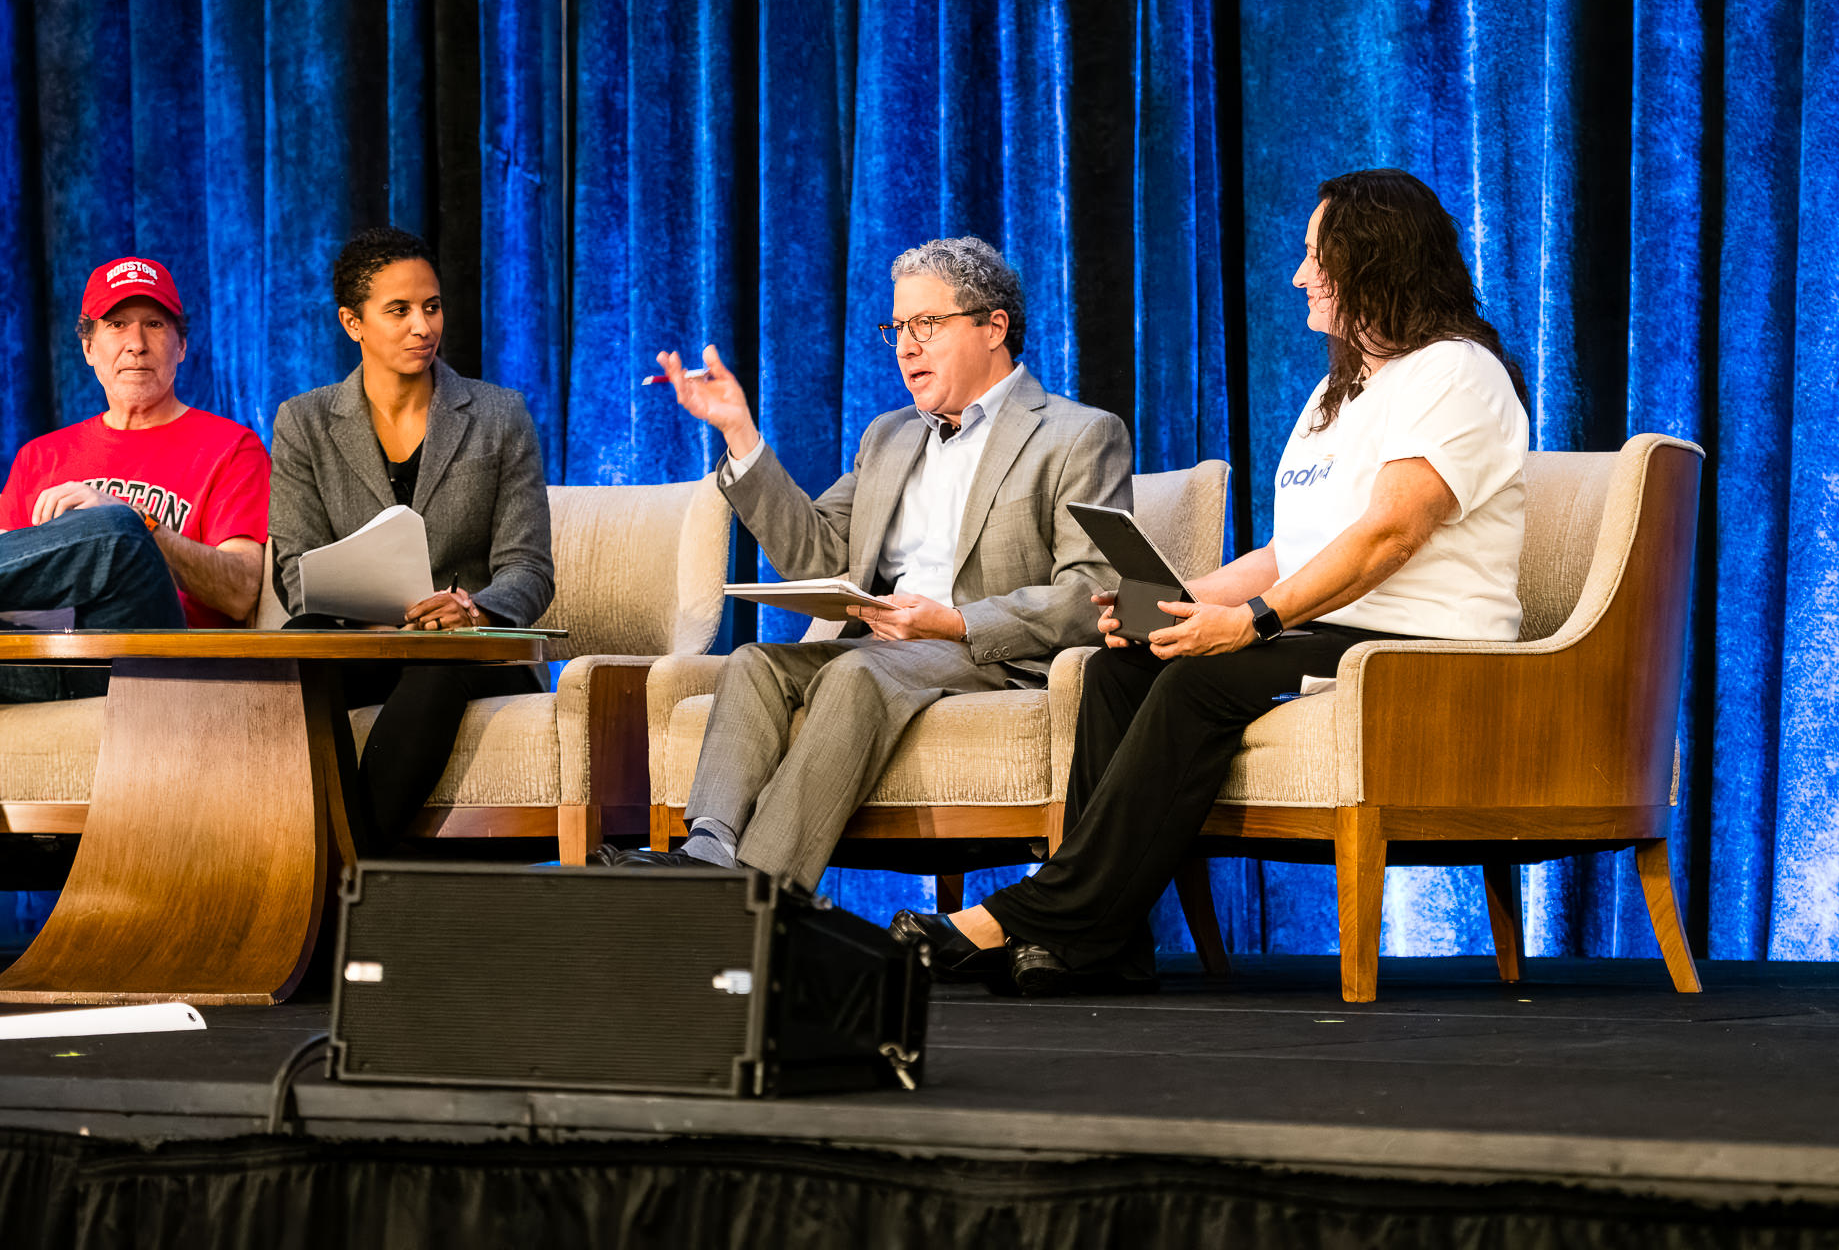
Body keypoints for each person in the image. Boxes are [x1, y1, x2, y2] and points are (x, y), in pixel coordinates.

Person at [895, 168, 1533, 996]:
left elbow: (1390, 534)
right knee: (1121, 665)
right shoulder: (1338, 393)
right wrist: (1177, 602)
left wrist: (1255, 623)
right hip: (1331, 628)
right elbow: (1288, 551)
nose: (1299, 275)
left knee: (1201, 679)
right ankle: (1101, 948)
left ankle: (1024, 916)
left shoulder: (1458, 372)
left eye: (1315, 255)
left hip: (1421, 644)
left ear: (1374, 257)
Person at [617, 236, 1133, 891]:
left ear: (993, 327)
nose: (908, 347)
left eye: (928, 325)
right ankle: (709, 852)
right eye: (898, 329)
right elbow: (817, 553)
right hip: (892, 647)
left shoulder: (1078, 435)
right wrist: (740, 435)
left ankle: (762, 892)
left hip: (992, 655)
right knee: (754, 663)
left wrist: (953, 623)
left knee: (856, 673)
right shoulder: (889, 436)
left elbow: (1094, 589)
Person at [268, 227, 554, 857]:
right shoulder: (304, 422)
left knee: (436, 667)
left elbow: (529, 569)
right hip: (360, 644)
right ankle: (294, 874)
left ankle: (345, 876)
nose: (422, 326)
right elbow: (294, 569)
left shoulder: (499, 416)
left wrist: (472, 608)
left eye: (431, 306)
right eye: (398, 311)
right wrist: (369, 618)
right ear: (353, 323)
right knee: (292, 655)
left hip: (468, 656)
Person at [0, 257, 270, 703]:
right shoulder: (40, 456)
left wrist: (138, 522)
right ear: (88, 348)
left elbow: (241, 592)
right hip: (43, 664)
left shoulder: (231, 447)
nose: (137, 344)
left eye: (155, 325)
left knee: (120, 530)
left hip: (158, 669)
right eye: (117, 324)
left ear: (181, 345)